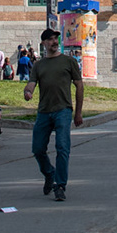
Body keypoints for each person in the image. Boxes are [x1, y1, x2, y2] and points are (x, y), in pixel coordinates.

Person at [22, 28, 84, 201]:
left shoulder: (68, 61)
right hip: (44, 112)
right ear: (43, 43)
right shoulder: (38, 65)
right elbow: (31, 84)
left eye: (56, 39)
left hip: (63, 110)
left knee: (62, 147)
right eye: (50, 39)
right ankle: (50, 173)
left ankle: (60, 185)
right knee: (37, 149)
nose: (54, 42)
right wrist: (28, 92)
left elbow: (79, 86)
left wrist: (78, 112)